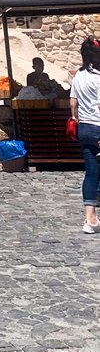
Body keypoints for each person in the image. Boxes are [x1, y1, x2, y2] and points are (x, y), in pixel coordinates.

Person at [70, 39, 100, 234]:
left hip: (85, 128)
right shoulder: (98, 78)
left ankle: (90, 220)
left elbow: (73, 103)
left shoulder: (78, 76)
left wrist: (75, 117)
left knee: (91, 173)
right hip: (98, 126)